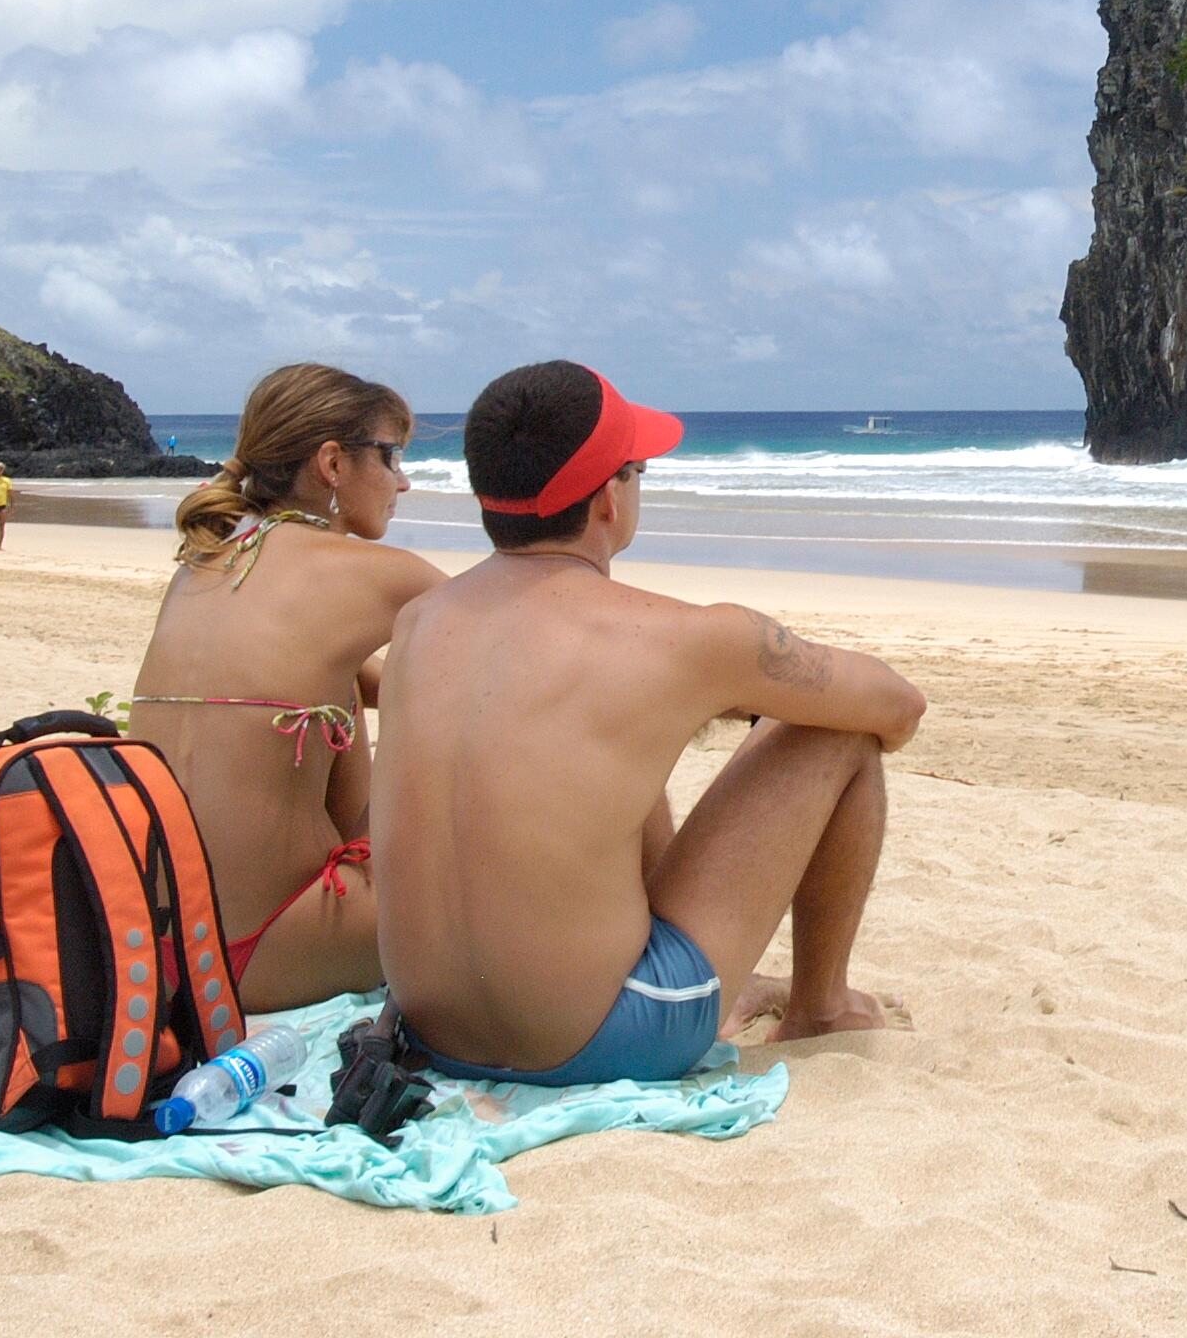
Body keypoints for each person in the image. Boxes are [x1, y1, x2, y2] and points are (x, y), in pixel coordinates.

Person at [374, 360, 924, 1087]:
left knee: (611, 750)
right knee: (833, 730)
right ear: (608, 499)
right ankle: (821, 1006)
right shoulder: (680, 638)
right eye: (637, 471)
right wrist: (747, 692)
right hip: (599, 1041)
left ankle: (736, 979)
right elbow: (896, 706)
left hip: (431, 1031)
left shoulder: (420, 624)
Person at [127, 365, 442, 1011]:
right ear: (332, 462)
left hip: (158, 951)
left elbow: (338, 678)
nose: (403, 481)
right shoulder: (373, 575)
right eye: (392, 456)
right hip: (269, 954)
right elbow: (525, 650)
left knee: (340, 688)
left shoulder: (205, 563)